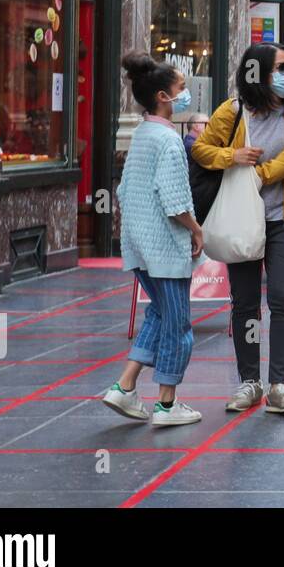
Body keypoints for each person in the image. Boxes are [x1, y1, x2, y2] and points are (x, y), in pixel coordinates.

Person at [192, 43, 284, 415]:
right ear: (257, 72)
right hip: (241, 219)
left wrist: (258, 175)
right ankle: (249, 382)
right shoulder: (233, 110)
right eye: (280, 68)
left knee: (282, 297)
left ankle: (279, 384)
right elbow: (201, 149)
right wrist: (233, 156)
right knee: (244, 302)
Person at [103, 52, 204, 427]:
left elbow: (125, 191)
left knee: (159, 314)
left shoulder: (141, 134)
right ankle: (166, 403)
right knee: (178, 325)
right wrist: (196, 230)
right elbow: (175, 201)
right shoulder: (169, 141)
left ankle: (125, 387)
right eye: (181, 89)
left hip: (140, 247)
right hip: (165, 249)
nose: (185, 95)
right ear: (163, 95)